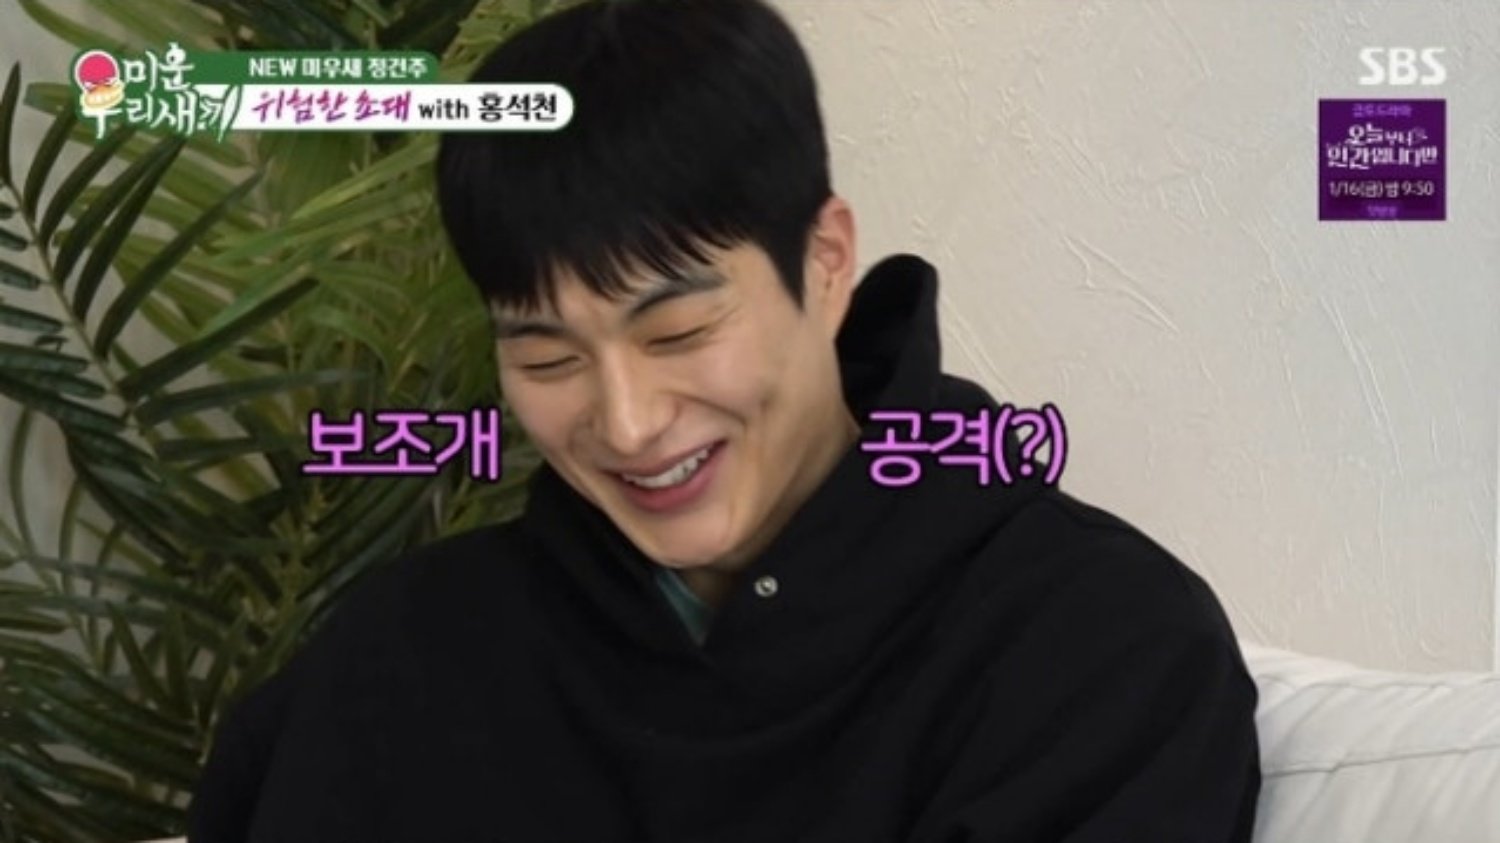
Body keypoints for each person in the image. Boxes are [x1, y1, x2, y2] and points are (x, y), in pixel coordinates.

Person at [187, 0, 1262, 840]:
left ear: (825, 262)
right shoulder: (403, 660)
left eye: (679, 331)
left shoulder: (1095, 653)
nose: (627, 423)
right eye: (549, 356)